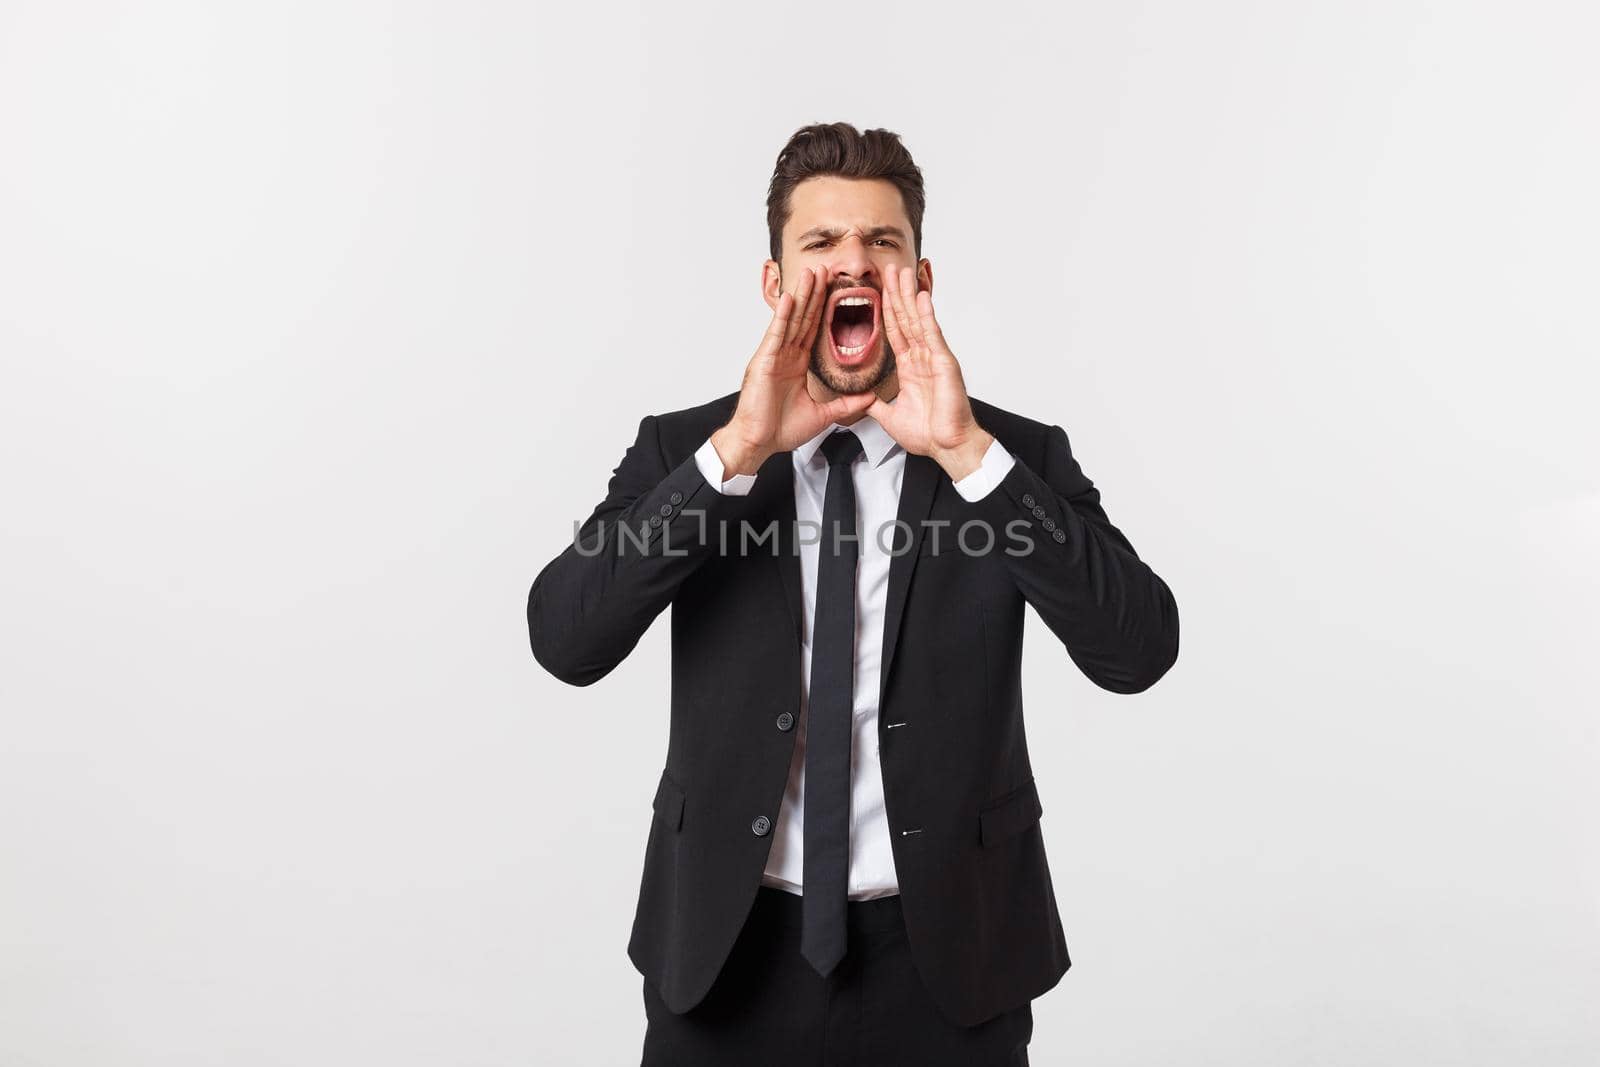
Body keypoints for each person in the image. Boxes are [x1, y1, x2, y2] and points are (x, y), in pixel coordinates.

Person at [526, 121, 1180, 1066]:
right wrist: (737, 455)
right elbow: (564, 637)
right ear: (775, 281)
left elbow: (1139, 648)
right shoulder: (686, 452)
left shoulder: (1011, 459)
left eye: (883, 242)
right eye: (820, 243)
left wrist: (966, 454)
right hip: (724, 955)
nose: (853, 263)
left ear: (918, 279)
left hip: (950, 961)